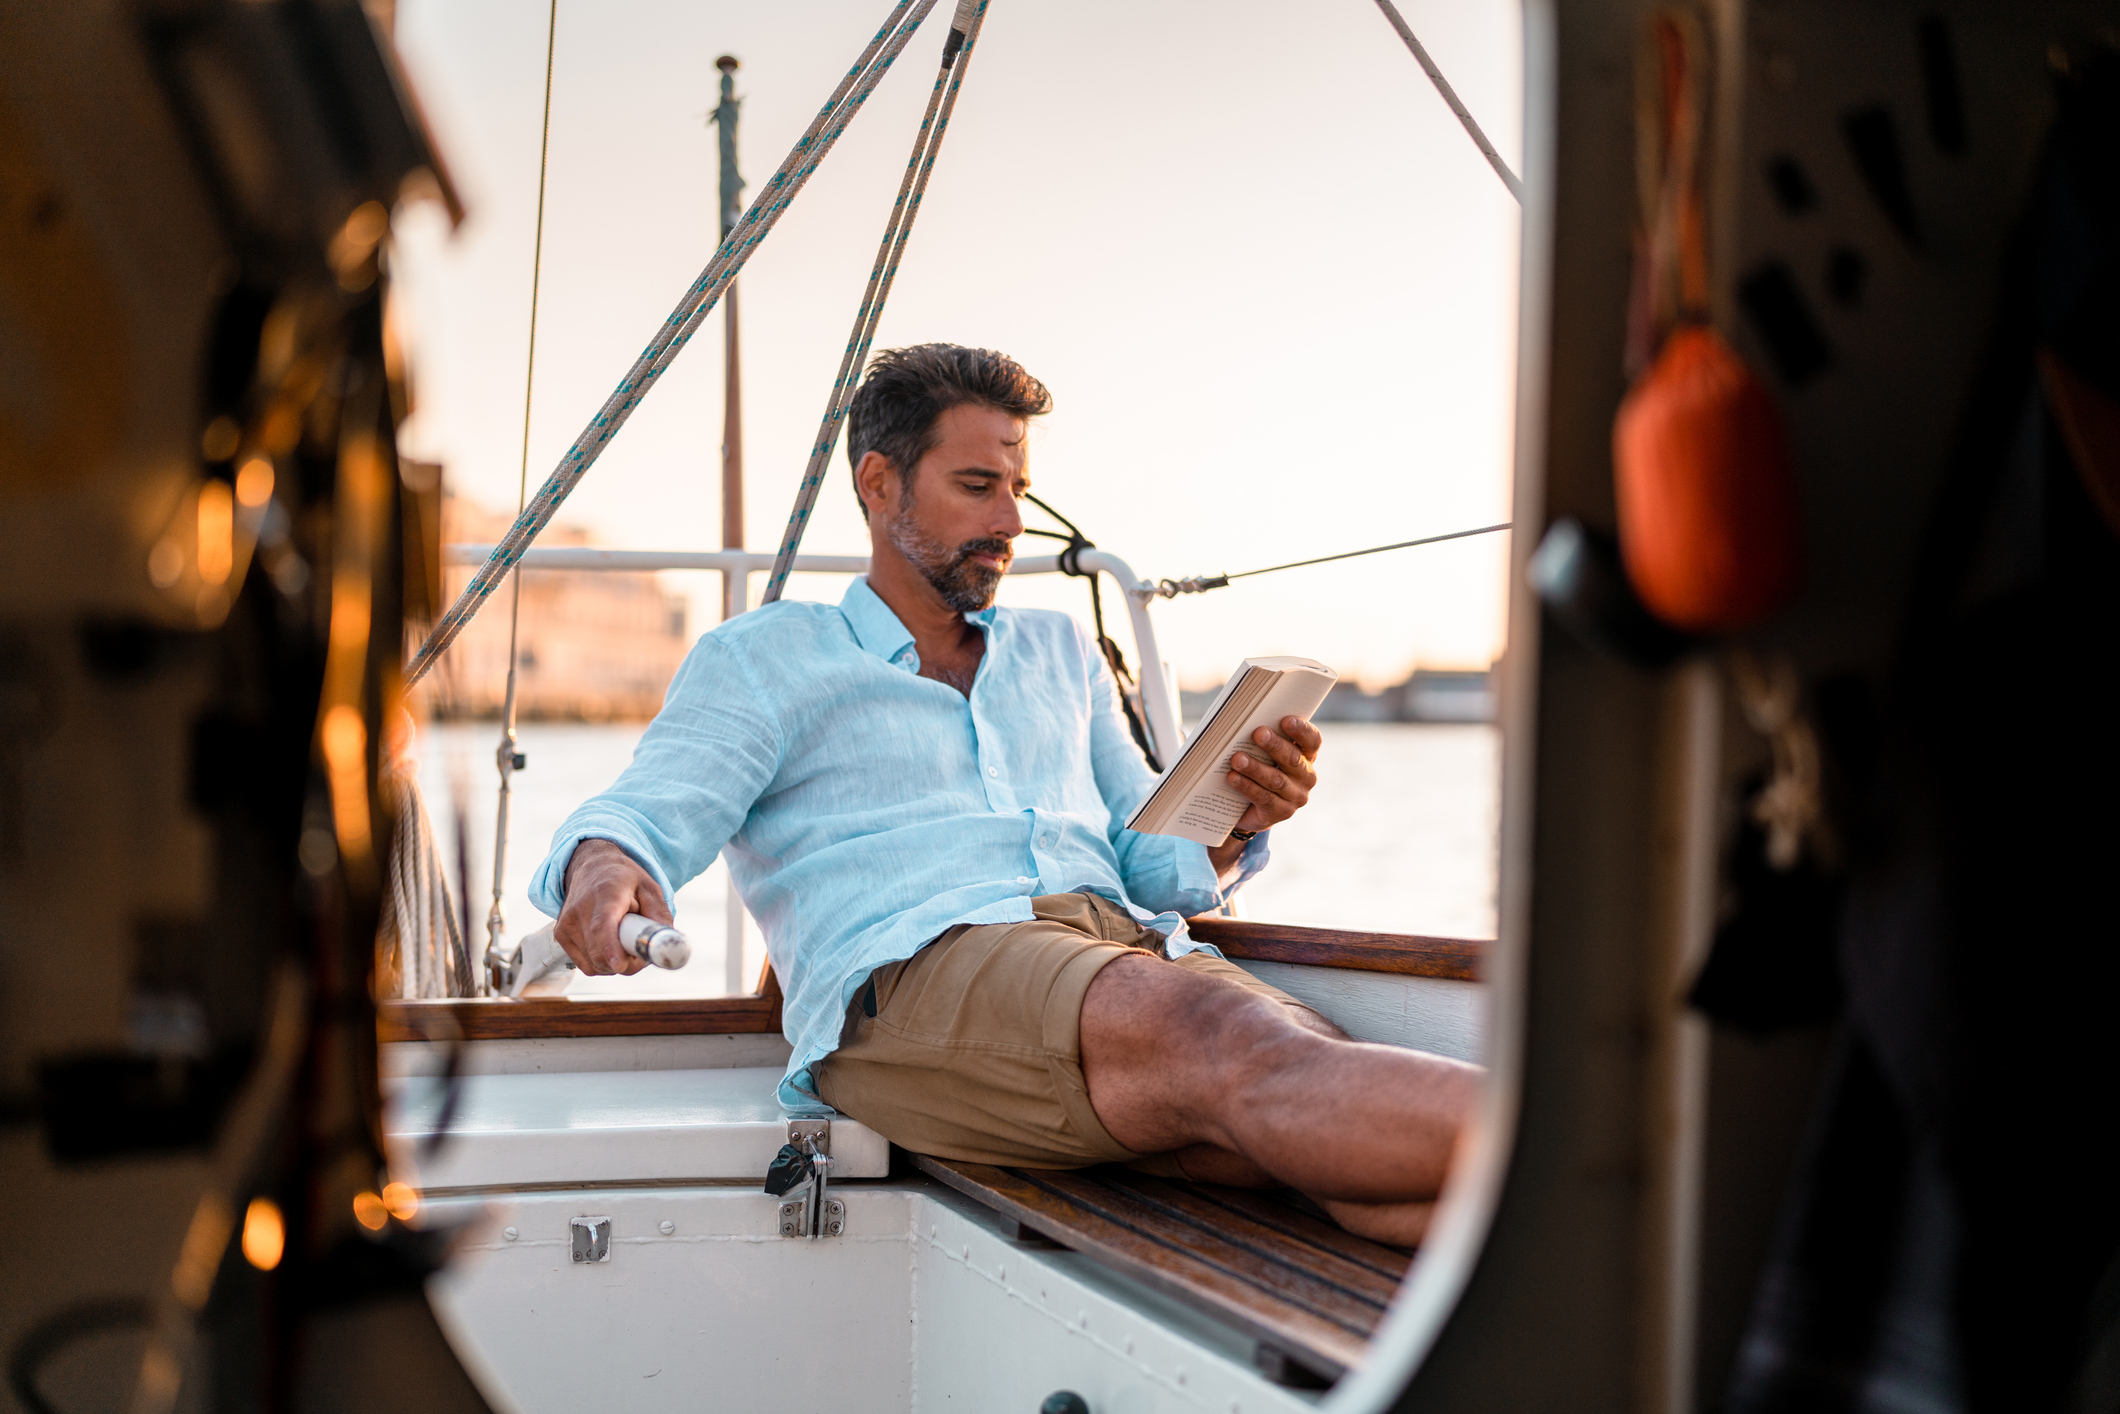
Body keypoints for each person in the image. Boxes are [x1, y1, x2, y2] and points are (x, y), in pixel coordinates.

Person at [532, 343, 1477, 1244]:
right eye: (977, 487)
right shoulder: (767, 657)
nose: (1012, 524)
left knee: (1293, 1094)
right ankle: (1595, 1150)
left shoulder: (1062, 652)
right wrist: (605, 870)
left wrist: (1236, 811)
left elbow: (1147, 858)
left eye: (1017, 491)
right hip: (915, 970)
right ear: (879, 484)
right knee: (1237, 1043)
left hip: (1121, 946)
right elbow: (645, 813)